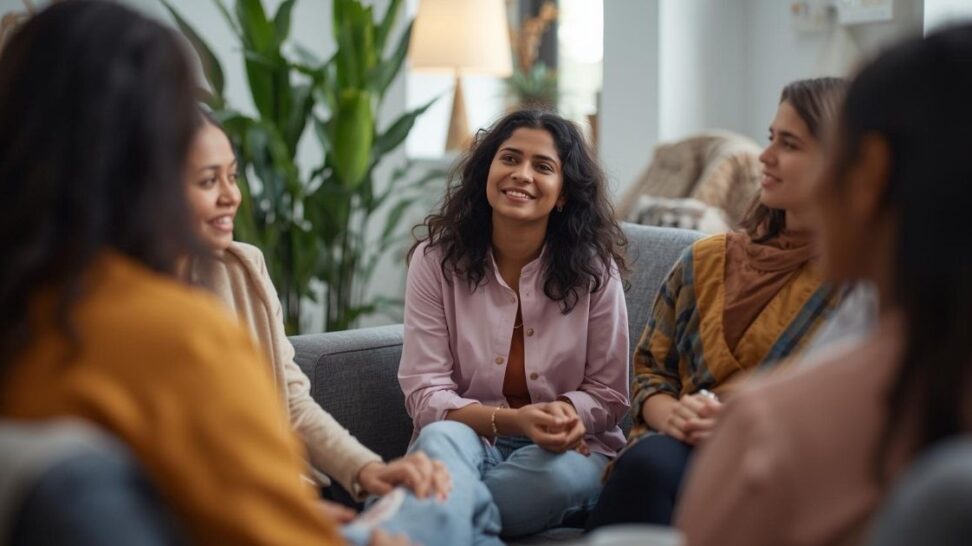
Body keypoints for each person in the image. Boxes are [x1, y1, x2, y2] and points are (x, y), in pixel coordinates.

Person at [0, 2, 398, 544]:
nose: (228, 195)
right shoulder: (179, 334)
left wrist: (360, 469)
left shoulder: (33, 312)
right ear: (146, 158)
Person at [675, 24, 972, 546]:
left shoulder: (771, 438)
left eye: (822, 151)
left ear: (870, 174)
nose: (767, 159)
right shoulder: (707, 258)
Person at [182, 112, 465, 545]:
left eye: (233, 176)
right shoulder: (117, 306)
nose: (231, 197)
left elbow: (291, 401)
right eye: (208, 182)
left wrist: (368, 468)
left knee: (438, 511)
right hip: (224, 518)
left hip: (290, 498)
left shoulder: (244, 269)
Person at [587, 78, 847, 529]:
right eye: (771, 138)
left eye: (789, 144)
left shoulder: (855, 284)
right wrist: (675, 415)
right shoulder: (705, 260)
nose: (764, 157)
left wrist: (740, 424)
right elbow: (650, 368)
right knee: (648, 467)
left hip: (779, 457)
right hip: (675, 442)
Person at [398, 109, 630, 541]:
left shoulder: (597, 272)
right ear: (488, 171)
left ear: (562, 193)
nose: (521, 174)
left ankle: (419, 518)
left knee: (547, 482)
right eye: (509, 158)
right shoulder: (435, 261)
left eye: (542, 166)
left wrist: (565, 415)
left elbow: (610, 393)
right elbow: (425, 392)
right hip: (463, 436)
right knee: (439, 442)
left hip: (565, 450)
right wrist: (515, 421)